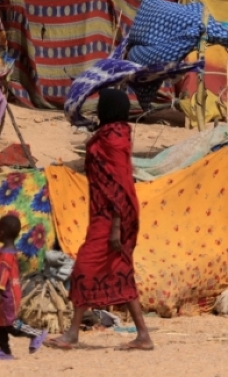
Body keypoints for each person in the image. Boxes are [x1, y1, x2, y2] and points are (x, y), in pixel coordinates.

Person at [45, 89, 152, 351]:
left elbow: (119, 183)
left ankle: (72, 334)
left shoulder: (113, 139)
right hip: (106, 213)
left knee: (84, 266)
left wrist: (116, 226)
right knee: (120, 268)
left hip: (113, 215)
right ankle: (143, 335)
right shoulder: (112, 134)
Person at [0, 214, 41, 359]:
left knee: (10, 324)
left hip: (6, 295)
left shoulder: (5, 256)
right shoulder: (10, 252)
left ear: (2, 232)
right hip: (10, 293)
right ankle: (5, 352)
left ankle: (35, 333)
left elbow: (2, 274)